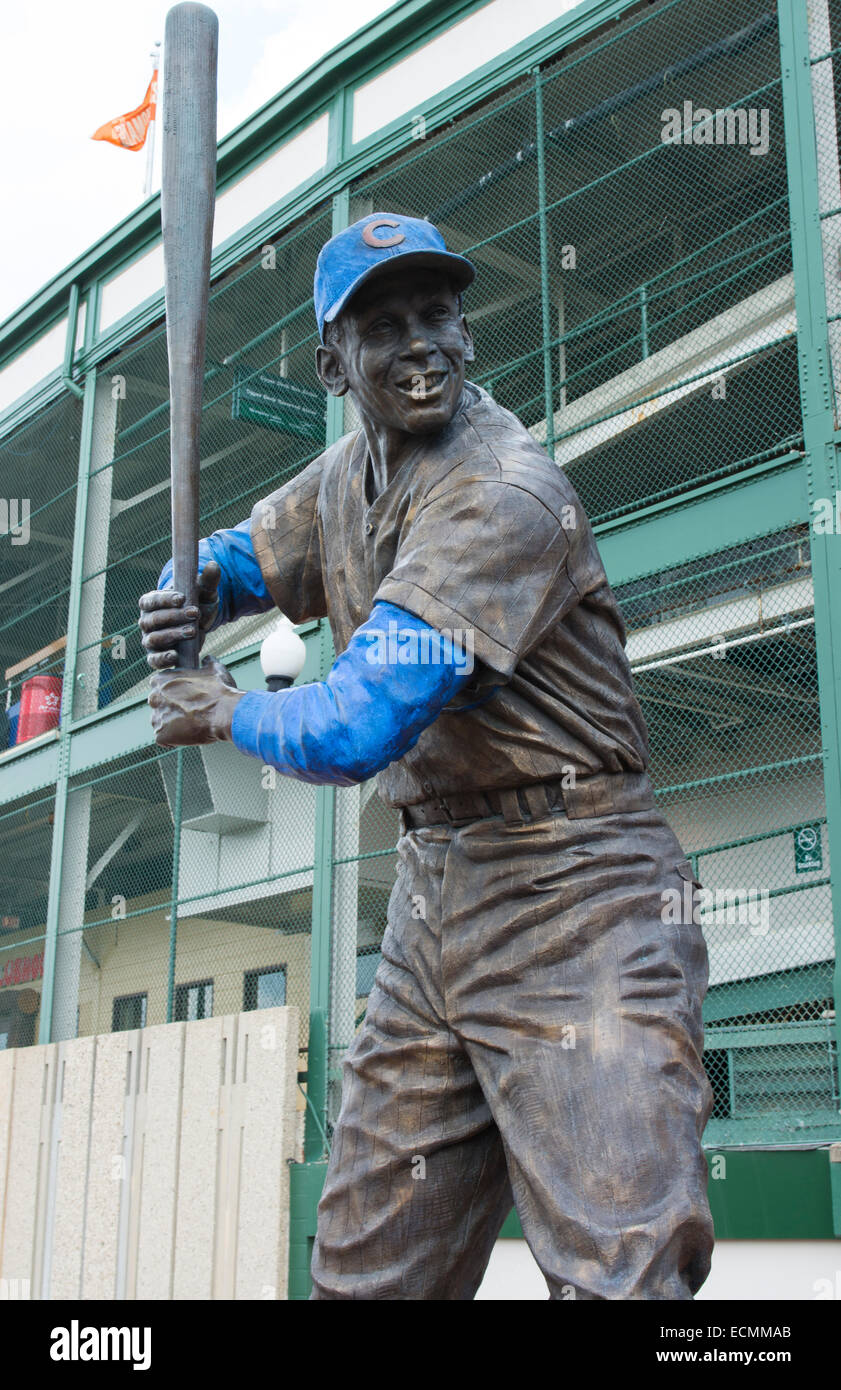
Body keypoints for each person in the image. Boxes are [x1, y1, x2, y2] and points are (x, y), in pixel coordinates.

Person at [139, 213, 713, 1300]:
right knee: (366, 1274)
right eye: (386, 325)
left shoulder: (501, 491)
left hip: (579, 891)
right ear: (332, 364)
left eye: (439, 315)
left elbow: (359, 723)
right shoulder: (349, 470)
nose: (422, 345)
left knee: (620, 1276)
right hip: (433, 896)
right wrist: (189, 588)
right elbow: (245, 554)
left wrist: (218, 710)